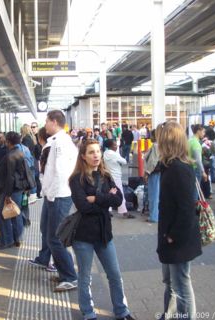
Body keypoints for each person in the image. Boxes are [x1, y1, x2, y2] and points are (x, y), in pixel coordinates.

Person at [69, 139, 135, 320]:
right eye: (91, 152)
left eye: (98, 151)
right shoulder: (76, 180)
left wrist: (96, 197)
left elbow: (119, 200)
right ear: (83, 156)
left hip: (104, 234)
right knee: (85, 277)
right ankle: (88, 313)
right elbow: (83, 206)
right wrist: (106, 200)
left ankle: (122, 311)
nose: (96, 155)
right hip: (83, 236)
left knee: (114, 274)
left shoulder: (105, 176)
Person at [157, 121, 202, 320]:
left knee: (181, 283)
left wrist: (172, 236)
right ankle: (169, 314)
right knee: (171, 282)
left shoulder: (179, 169)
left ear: (167, 141)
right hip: (171, 237)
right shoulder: (171, 166)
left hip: (177, 239)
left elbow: (186, 209)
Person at [41, 110, 78, 292]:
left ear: (54, 122)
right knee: (49, 235)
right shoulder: (56, 141)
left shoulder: (61, 143)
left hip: (59, 196)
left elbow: (60, 172)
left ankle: (70, 277)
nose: (45, 124)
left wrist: (51, 194)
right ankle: (65, 273)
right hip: (53, 195)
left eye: (47, 121)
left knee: (55, 238)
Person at [29, 127, 57, 272]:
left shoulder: (49, 149)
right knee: (45, 228)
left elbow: (50, 174)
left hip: (54, 196)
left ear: (40, 138)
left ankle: (58, 264)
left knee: (53, 233)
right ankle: (44, 258)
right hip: (49, 195)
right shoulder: (48, 148)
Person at [0, 132, 27, 249]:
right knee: (16, 213)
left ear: (8, 141)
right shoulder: (19, 153)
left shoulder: (10, 156)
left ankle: (7, 241)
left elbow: (10, 176)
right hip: (18, 188)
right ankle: (17, 238)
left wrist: (7, 195)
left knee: (2, 214)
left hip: (10, 190)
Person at [103, 139, 134, 219]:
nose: (116, 146)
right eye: (114, 145)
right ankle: (124, 211)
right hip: (116, 176)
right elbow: (124, 161)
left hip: (108, 175)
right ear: (110, 146)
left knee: (109, 193)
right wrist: (118, 154)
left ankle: (108, 210)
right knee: (120, 193)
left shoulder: (105, 153)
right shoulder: (114, 154)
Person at [144, 129, 161, 223]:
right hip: (162, 172)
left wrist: (147, 173)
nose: (150, 137)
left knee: (154, 195)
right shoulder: (165, 144)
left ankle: (153, 216)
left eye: (151, 135)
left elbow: (152, 161)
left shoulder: (155, 146)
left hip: (154, 173)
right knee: (159, 194)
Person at [188, 124, 207, 200]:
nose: (204, 133)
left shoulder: (189, 141)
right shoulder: (196, 143)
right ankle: (194, 209)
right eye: (203, 131)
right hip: (195, 169)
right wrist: (203, 172)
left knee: (191, 190)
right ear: (198, 131)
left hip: (189, 168)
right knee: (195, 191)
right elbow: (198, 160)